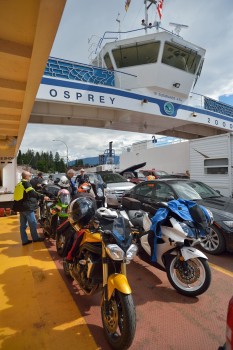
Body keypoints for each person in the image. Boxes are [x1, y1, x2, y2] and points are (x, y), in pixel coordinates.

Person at [12, 171, 50, 245]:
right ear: (26, 176)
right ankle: (35, 238)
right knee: (33, 223)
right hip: (27, 207)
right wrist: (43, 196)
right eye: (30, 175)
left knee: (23, 225)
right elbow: (32, 193)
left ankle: (24, 240)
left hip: (20, 207)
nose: (31, 176)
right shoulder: (26, 183)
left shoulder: (19, 183)